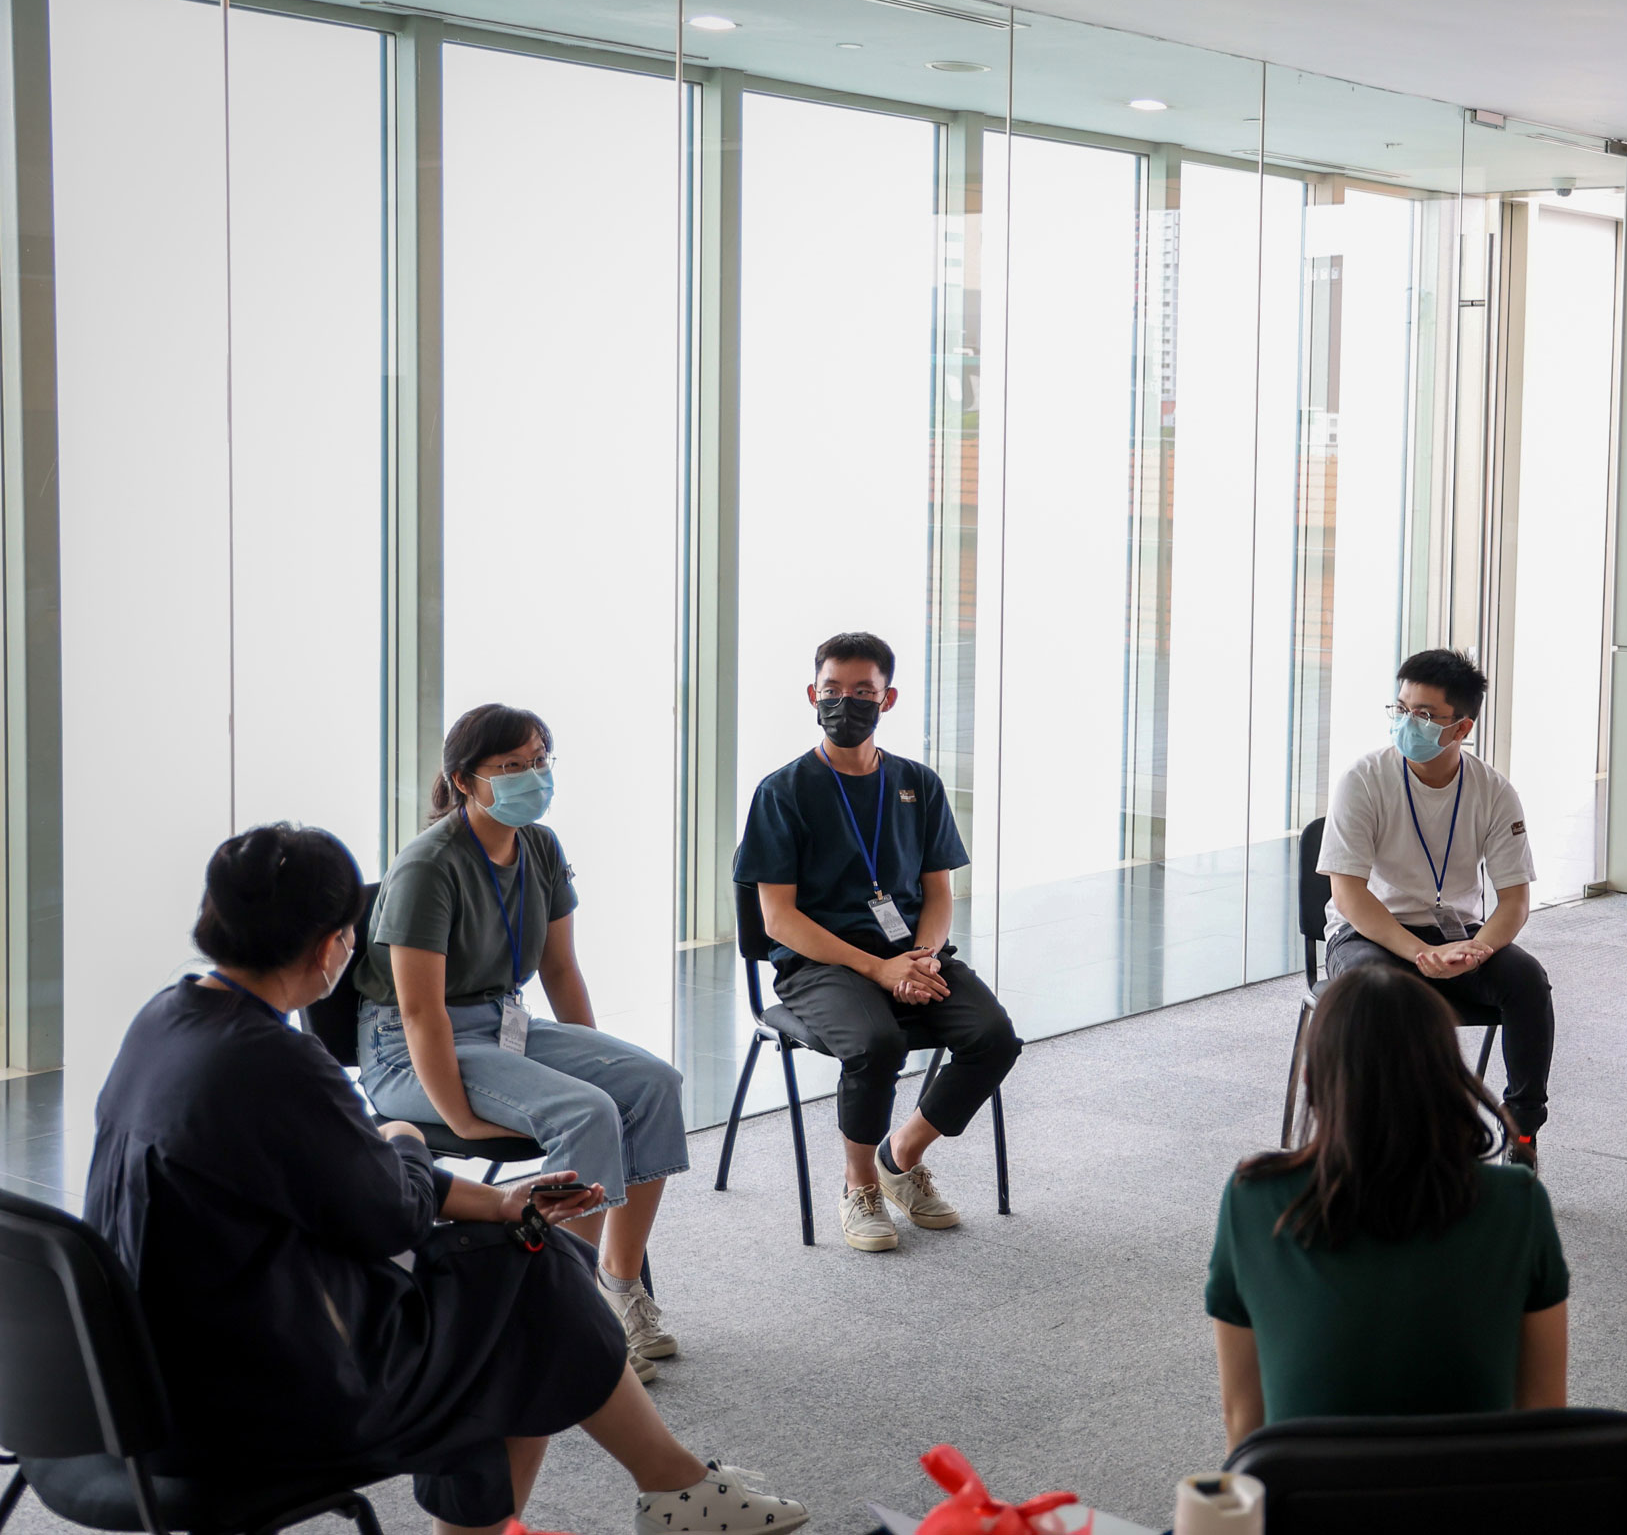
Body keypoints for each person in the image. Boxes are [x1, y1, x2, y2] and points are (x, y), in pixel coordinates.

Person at [85, 825, 805, 1535]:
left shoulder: (167, 1020)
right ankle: (674, 1488)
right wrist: (398, 1136)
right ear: (333, 945)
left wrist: (498, 1201)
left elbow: (340, 1188)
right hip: (252, 1405)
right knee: (535, 1284)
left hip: (140, 1381)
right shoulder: (276, 1065)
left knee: (522, 1266)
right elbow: (387, 1215)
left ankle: (669, 1488)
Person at [356, 705, 690, 1380]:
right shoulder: (428, 866)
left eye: (539, 760)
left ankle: (617, 1287)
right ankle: (564, 1322)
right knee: (586, 1112)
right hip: (412, 1048)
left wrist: (602, 1065)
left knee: (654, 1084)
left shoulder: (539, 846)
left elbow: (559, 968)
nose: (532, 777)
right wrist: (455, 1114)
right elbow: (420, 1010)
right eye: (511, 767)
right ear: (464, 780)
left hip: (503, 1025)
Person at [1206, 960, 1569, 1451]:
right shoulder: (1516, 1204)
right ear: (1447, 1077)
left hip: (1307, 1501)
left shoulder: (1253, 1199)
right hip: (1476, 1503)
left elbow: (1245, 1425)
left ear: (1314, 1080)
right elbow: (1543, 1420)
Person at [736, 631, 1022, 1252]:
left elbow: (938, 893)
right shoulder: (782, 792)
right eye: (833, 691)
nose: (846, 703)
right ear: (812, 695)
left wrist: (919, 957)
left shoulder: (918, 783)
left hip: (911, 956)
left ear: (887, 699)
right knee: (876, 1043)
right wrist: (880, 968)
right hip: (821, 965)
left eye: (863, 692)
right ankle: (858, 1183)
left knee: (994, 1037)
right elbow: (778, 919)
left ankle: (900, 1157)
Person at [1316, 647, 1550, 1164]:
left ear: (1461, 728)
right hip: (1370, 933)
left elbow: (1514, 899)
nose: (1406, 724)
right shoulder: (1364, 779)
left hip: (1456, 937)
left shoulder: (1493, 791)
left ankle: (1522, 1131)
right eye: (1400, 710)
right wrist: (1418, 951)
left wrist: (1480, 949)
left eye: (1422, 715)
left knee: (1528, 981)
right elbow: (1348, 893)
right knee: (1374, 995)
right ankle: (1375, 1140)